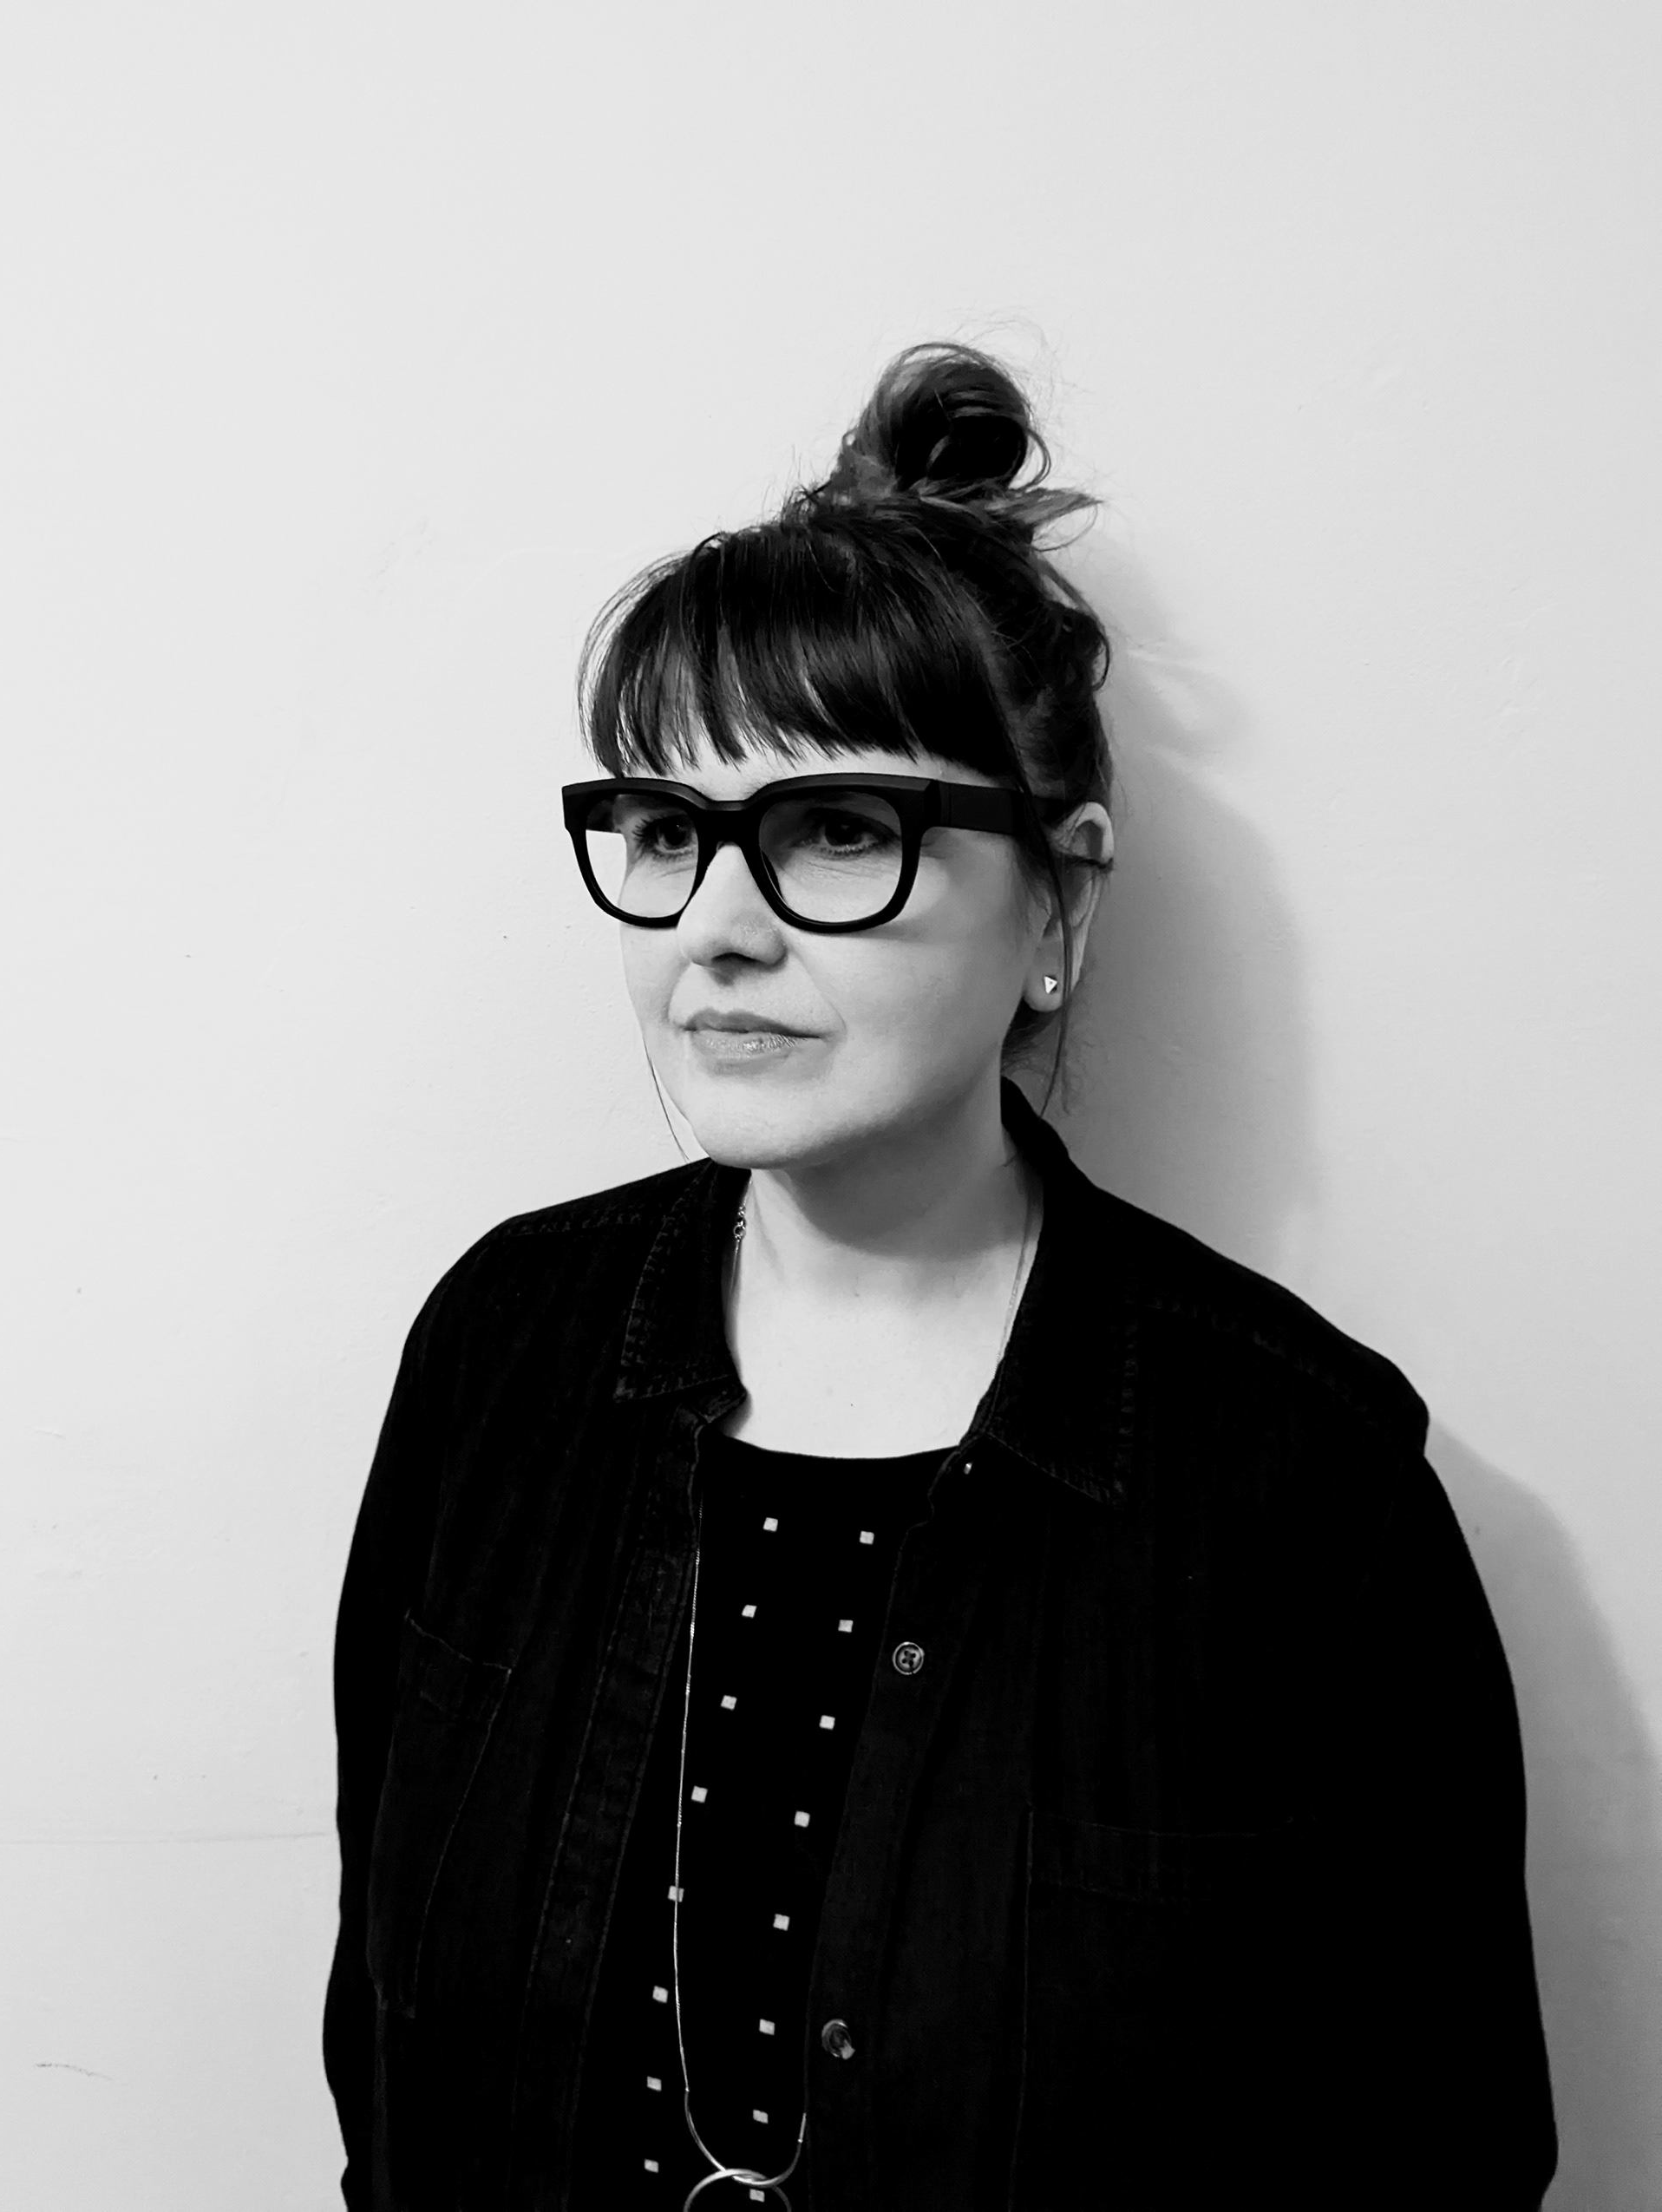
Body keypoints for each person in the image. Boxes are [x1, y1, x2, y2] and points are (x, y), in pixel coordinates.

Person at [324, 344, 1558, 2210]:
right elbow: (389, 2060)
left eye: (838, 830)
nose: (717, 929)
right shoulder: (502, 1354)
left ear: (1060, 897)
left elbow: (1437, 2153)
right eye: (666, 832)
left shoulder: (1296, 1485)